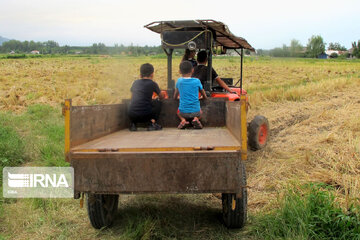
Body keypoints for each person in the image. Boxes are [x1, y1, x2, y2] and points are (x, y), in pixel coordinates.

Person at [128, 63, 164, 131]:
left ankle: (133, 124)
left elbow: (132, 97)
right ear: (152, 74)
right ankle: (152, 123)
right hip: (146, 115)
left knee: (131, 104)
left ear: (140, 74)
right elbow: (161, 96)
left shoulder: (135, 83)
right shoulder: (153, 84)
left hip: (132, 114)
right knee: (158, 102)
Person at [174, 61, 207, 129]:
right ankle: (196, 119)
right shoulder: (197, 81)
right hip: (196, 112)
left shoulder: (179, 81)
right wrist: (203, 97)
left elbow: (175, 96)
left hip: (183, 112)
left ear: (180, 71)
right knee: (201, 112)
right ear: (192, 70)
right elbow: (204, 95)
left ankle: (183, 120)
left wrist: (177, 97)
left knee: (178, 112)